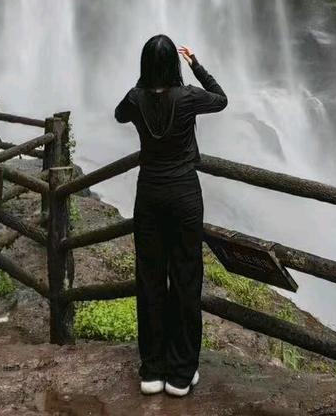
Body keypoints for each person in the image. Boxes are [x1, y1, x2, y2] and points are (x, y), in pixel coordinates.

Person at [115, 34, 227, 398]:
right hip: (184, 196)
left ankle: (152, 370)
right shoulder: (189, 97)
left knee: (149, 279)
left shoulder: (136, 98)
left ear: (146, 66)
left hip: (148, 196)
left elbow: (119, 114)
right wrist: (196, 64)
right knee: (185, 278)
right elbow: (221, 99)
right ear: (174, 65)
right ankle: (180, 374)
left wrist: (143, 83)